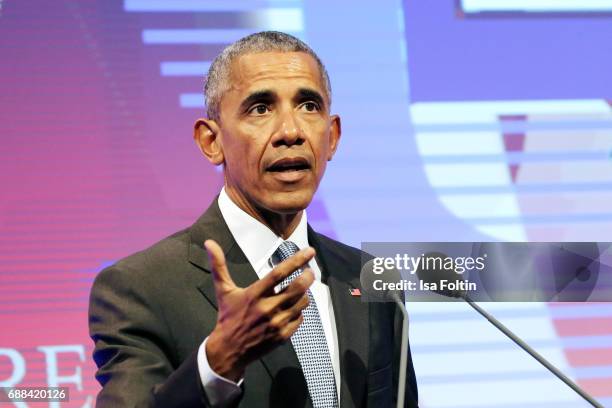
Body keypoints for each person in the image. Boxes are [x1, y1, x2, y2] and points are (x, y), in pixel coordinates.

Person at [89, 31, 418, 408]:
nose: (291, 132)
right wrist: (219, 362)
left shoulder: (373, 279)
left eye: (309, 106)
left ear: (332, 137)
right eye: (260, 108)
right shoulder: (140, 288)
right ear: (211, 142)